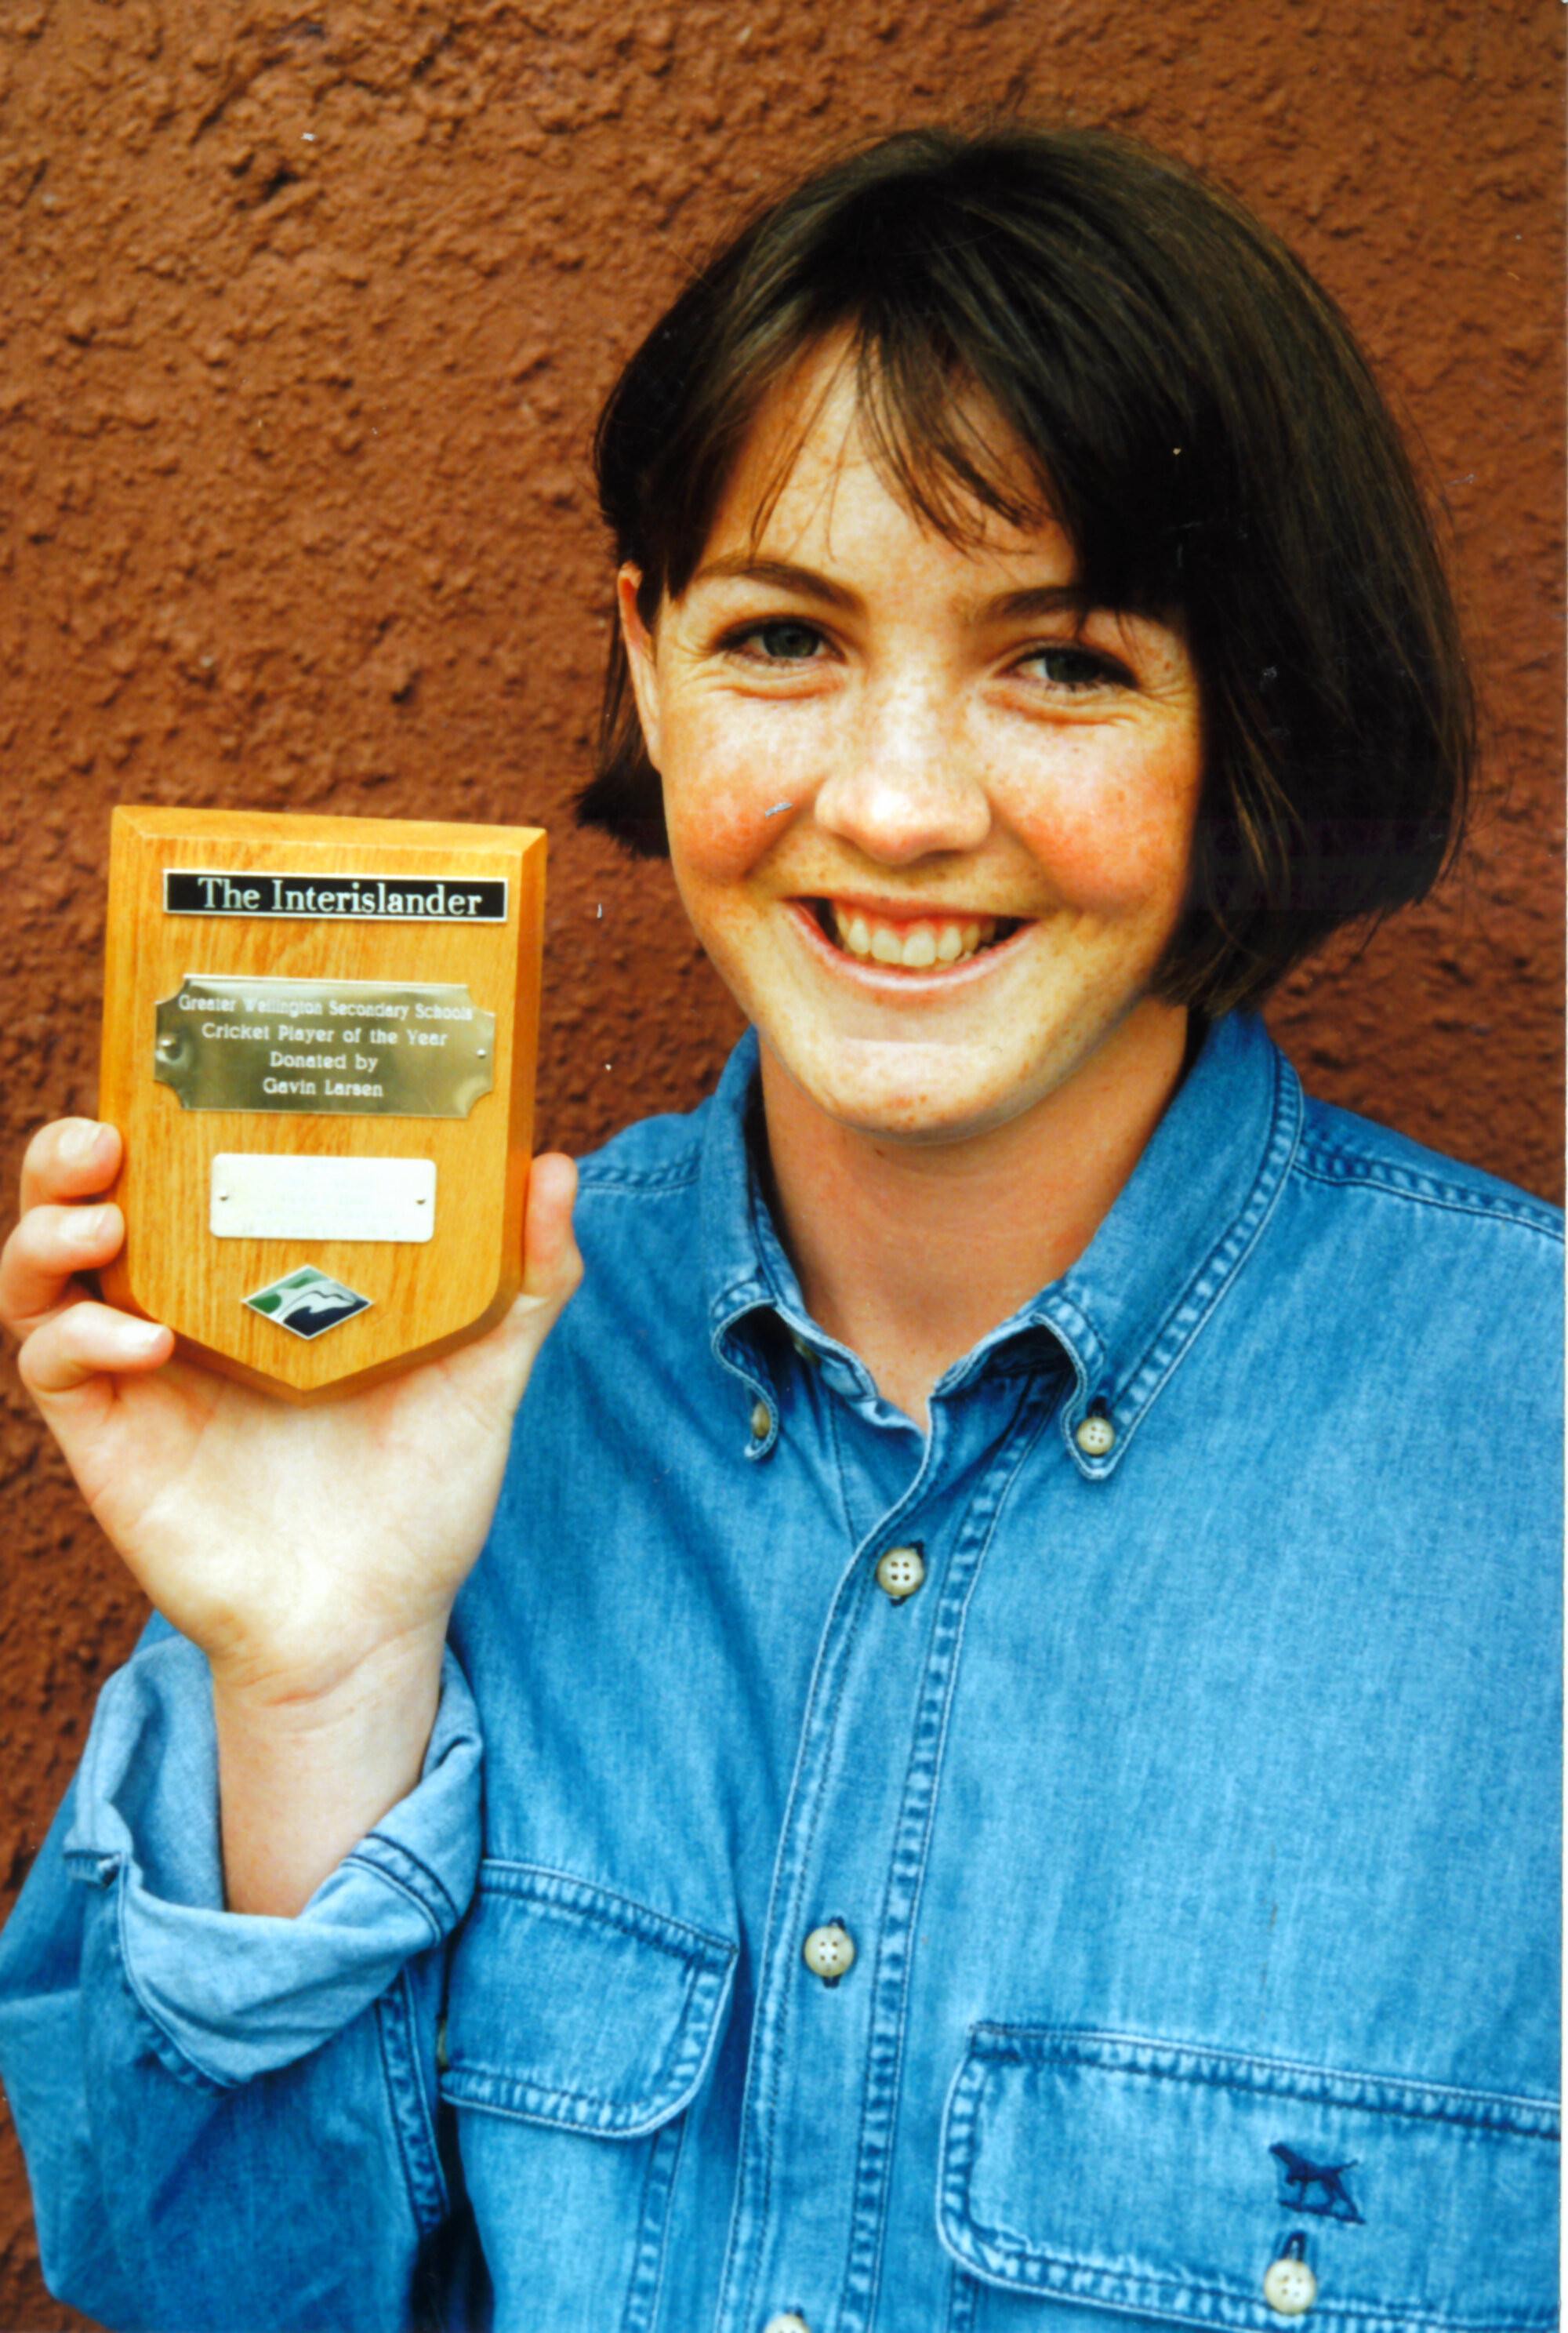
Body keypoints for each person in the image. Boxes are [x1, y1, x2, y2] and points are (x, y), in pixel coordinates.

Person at [0, 123, 1559, 2333]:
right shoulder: (419, 1371)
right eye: (782, 638)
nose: (901, 801)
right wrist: (315, 1680)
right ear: (645, 665)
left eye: (1068, 662)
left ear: (1254, 709)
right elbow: (208, 2293)